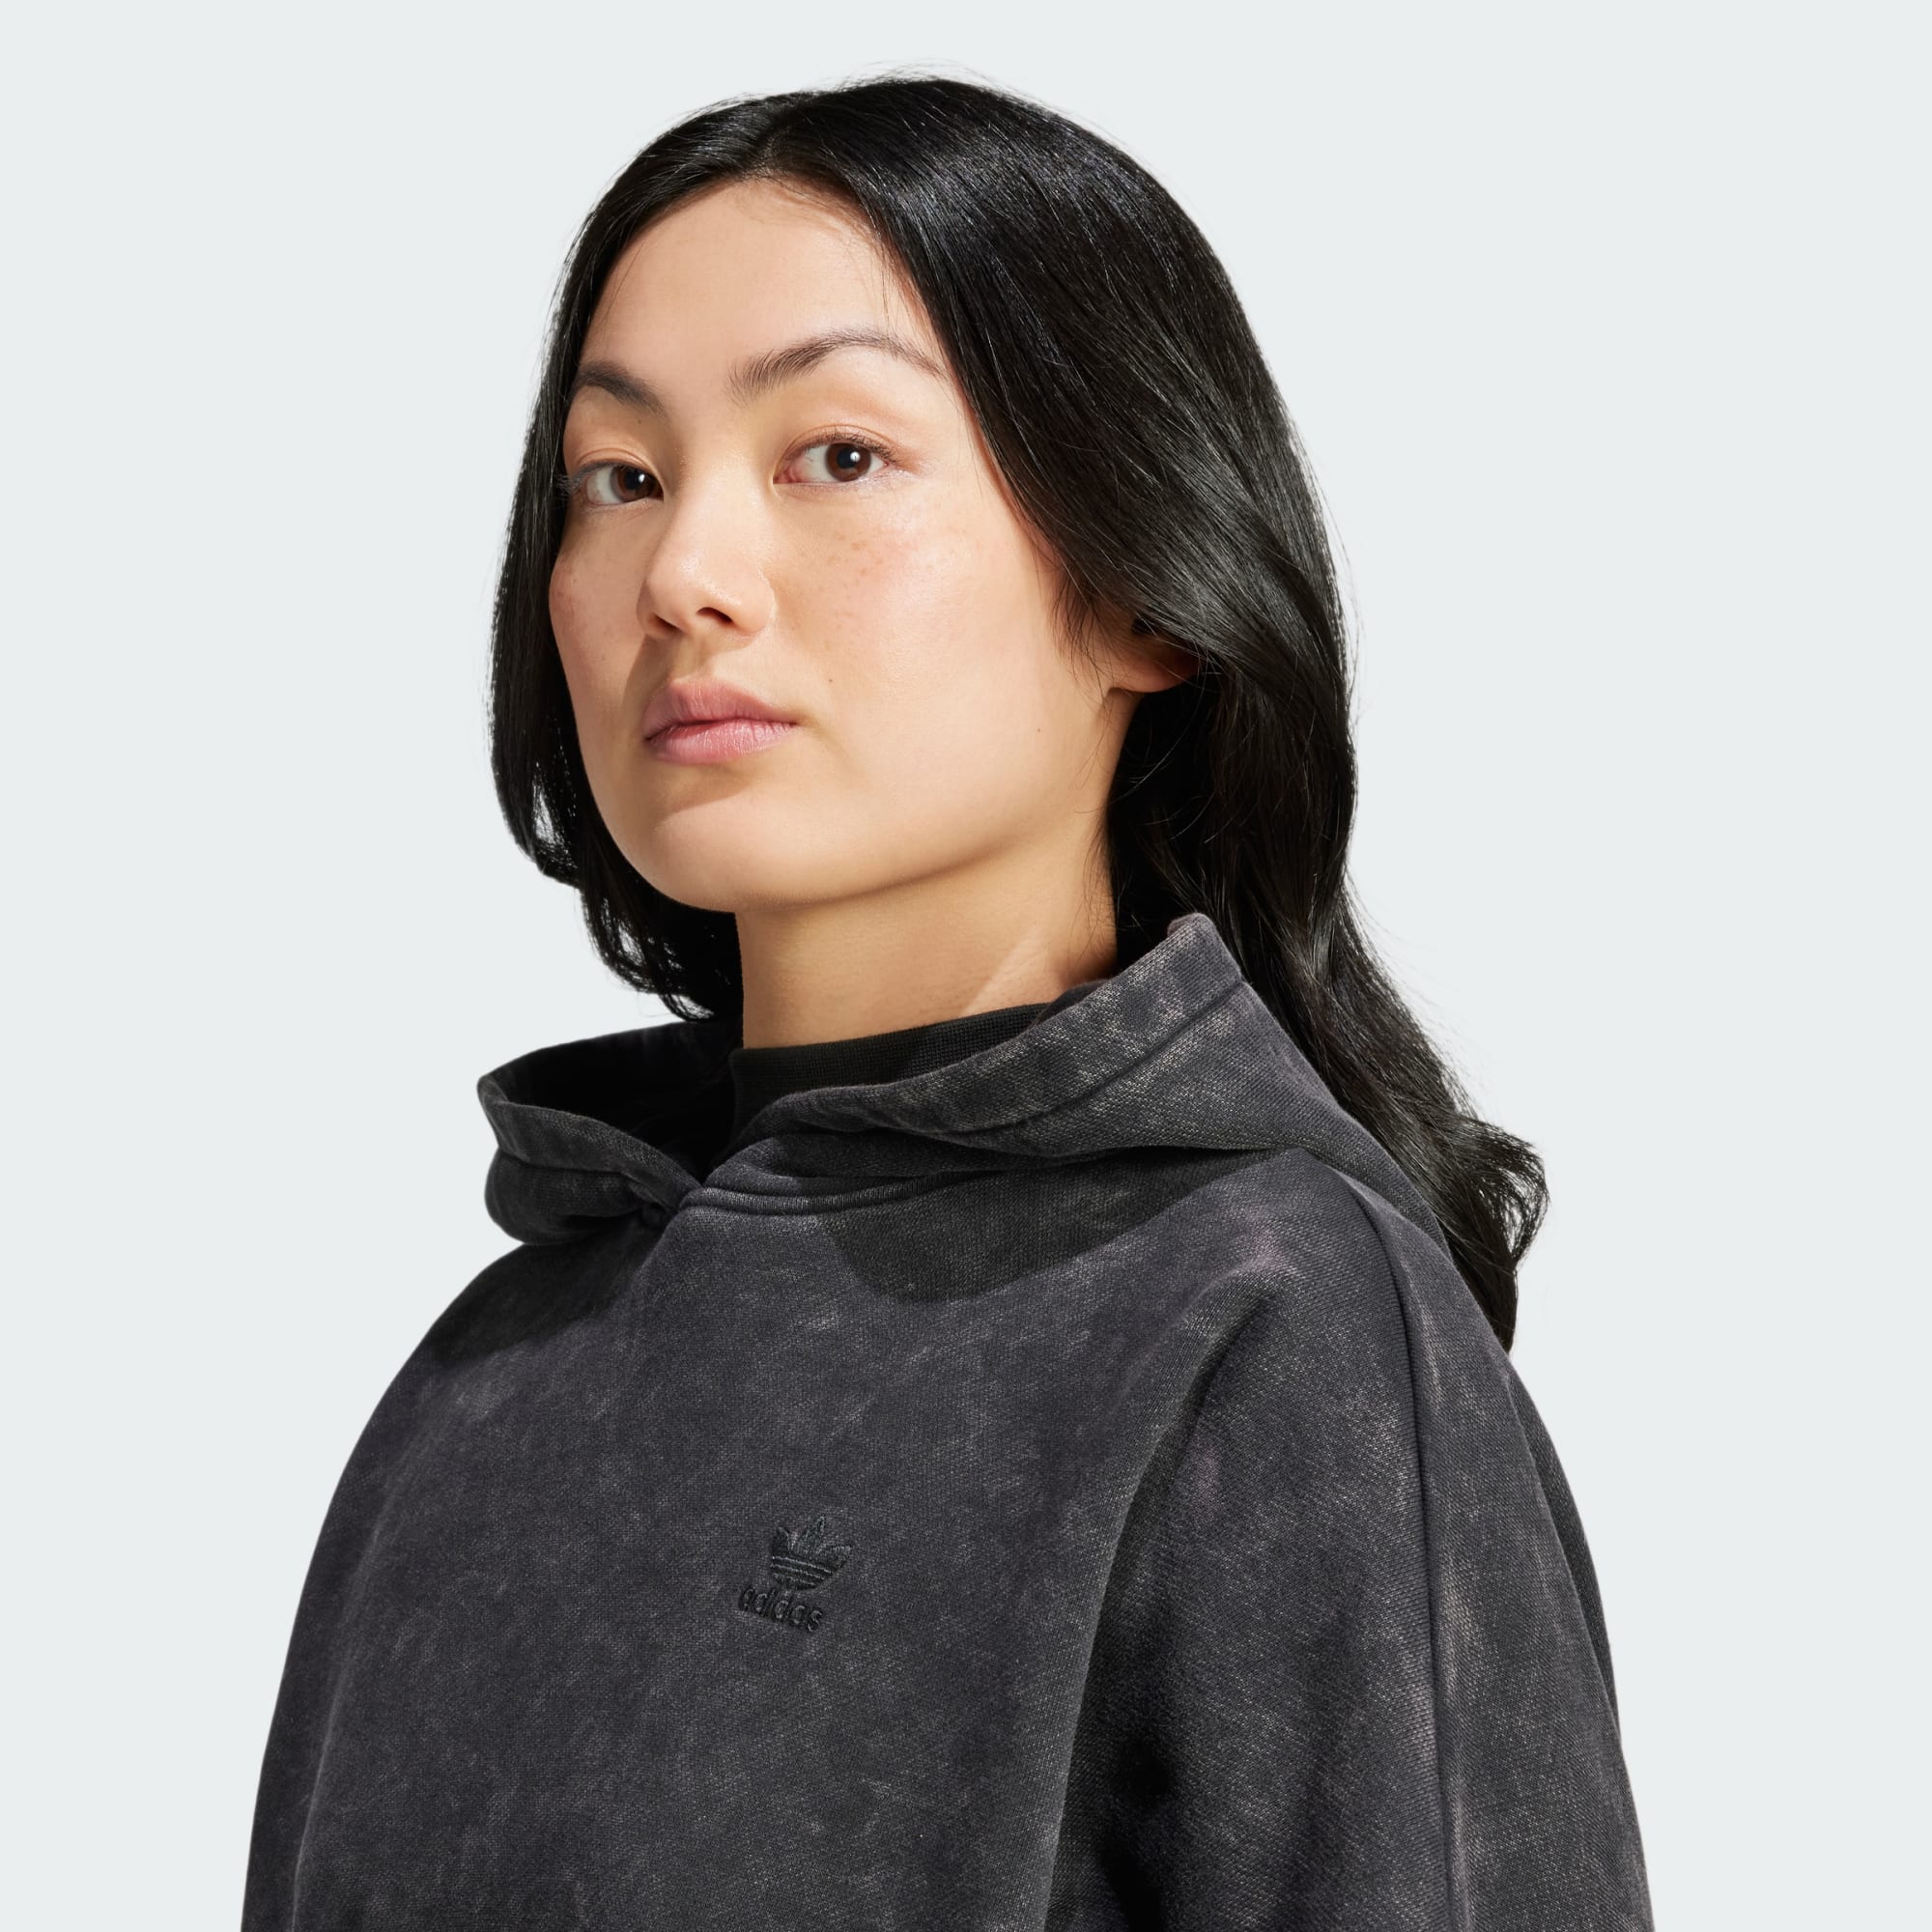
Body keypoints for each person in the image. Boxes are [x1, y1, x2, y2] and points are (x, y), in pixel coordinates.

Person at [242, 71, 1653, 1930]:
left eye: (838, 456)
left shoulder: (1269, 1322)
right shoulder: (491, 1374)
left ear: (1148, 585)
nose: (685, 575)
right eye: (619, 479)